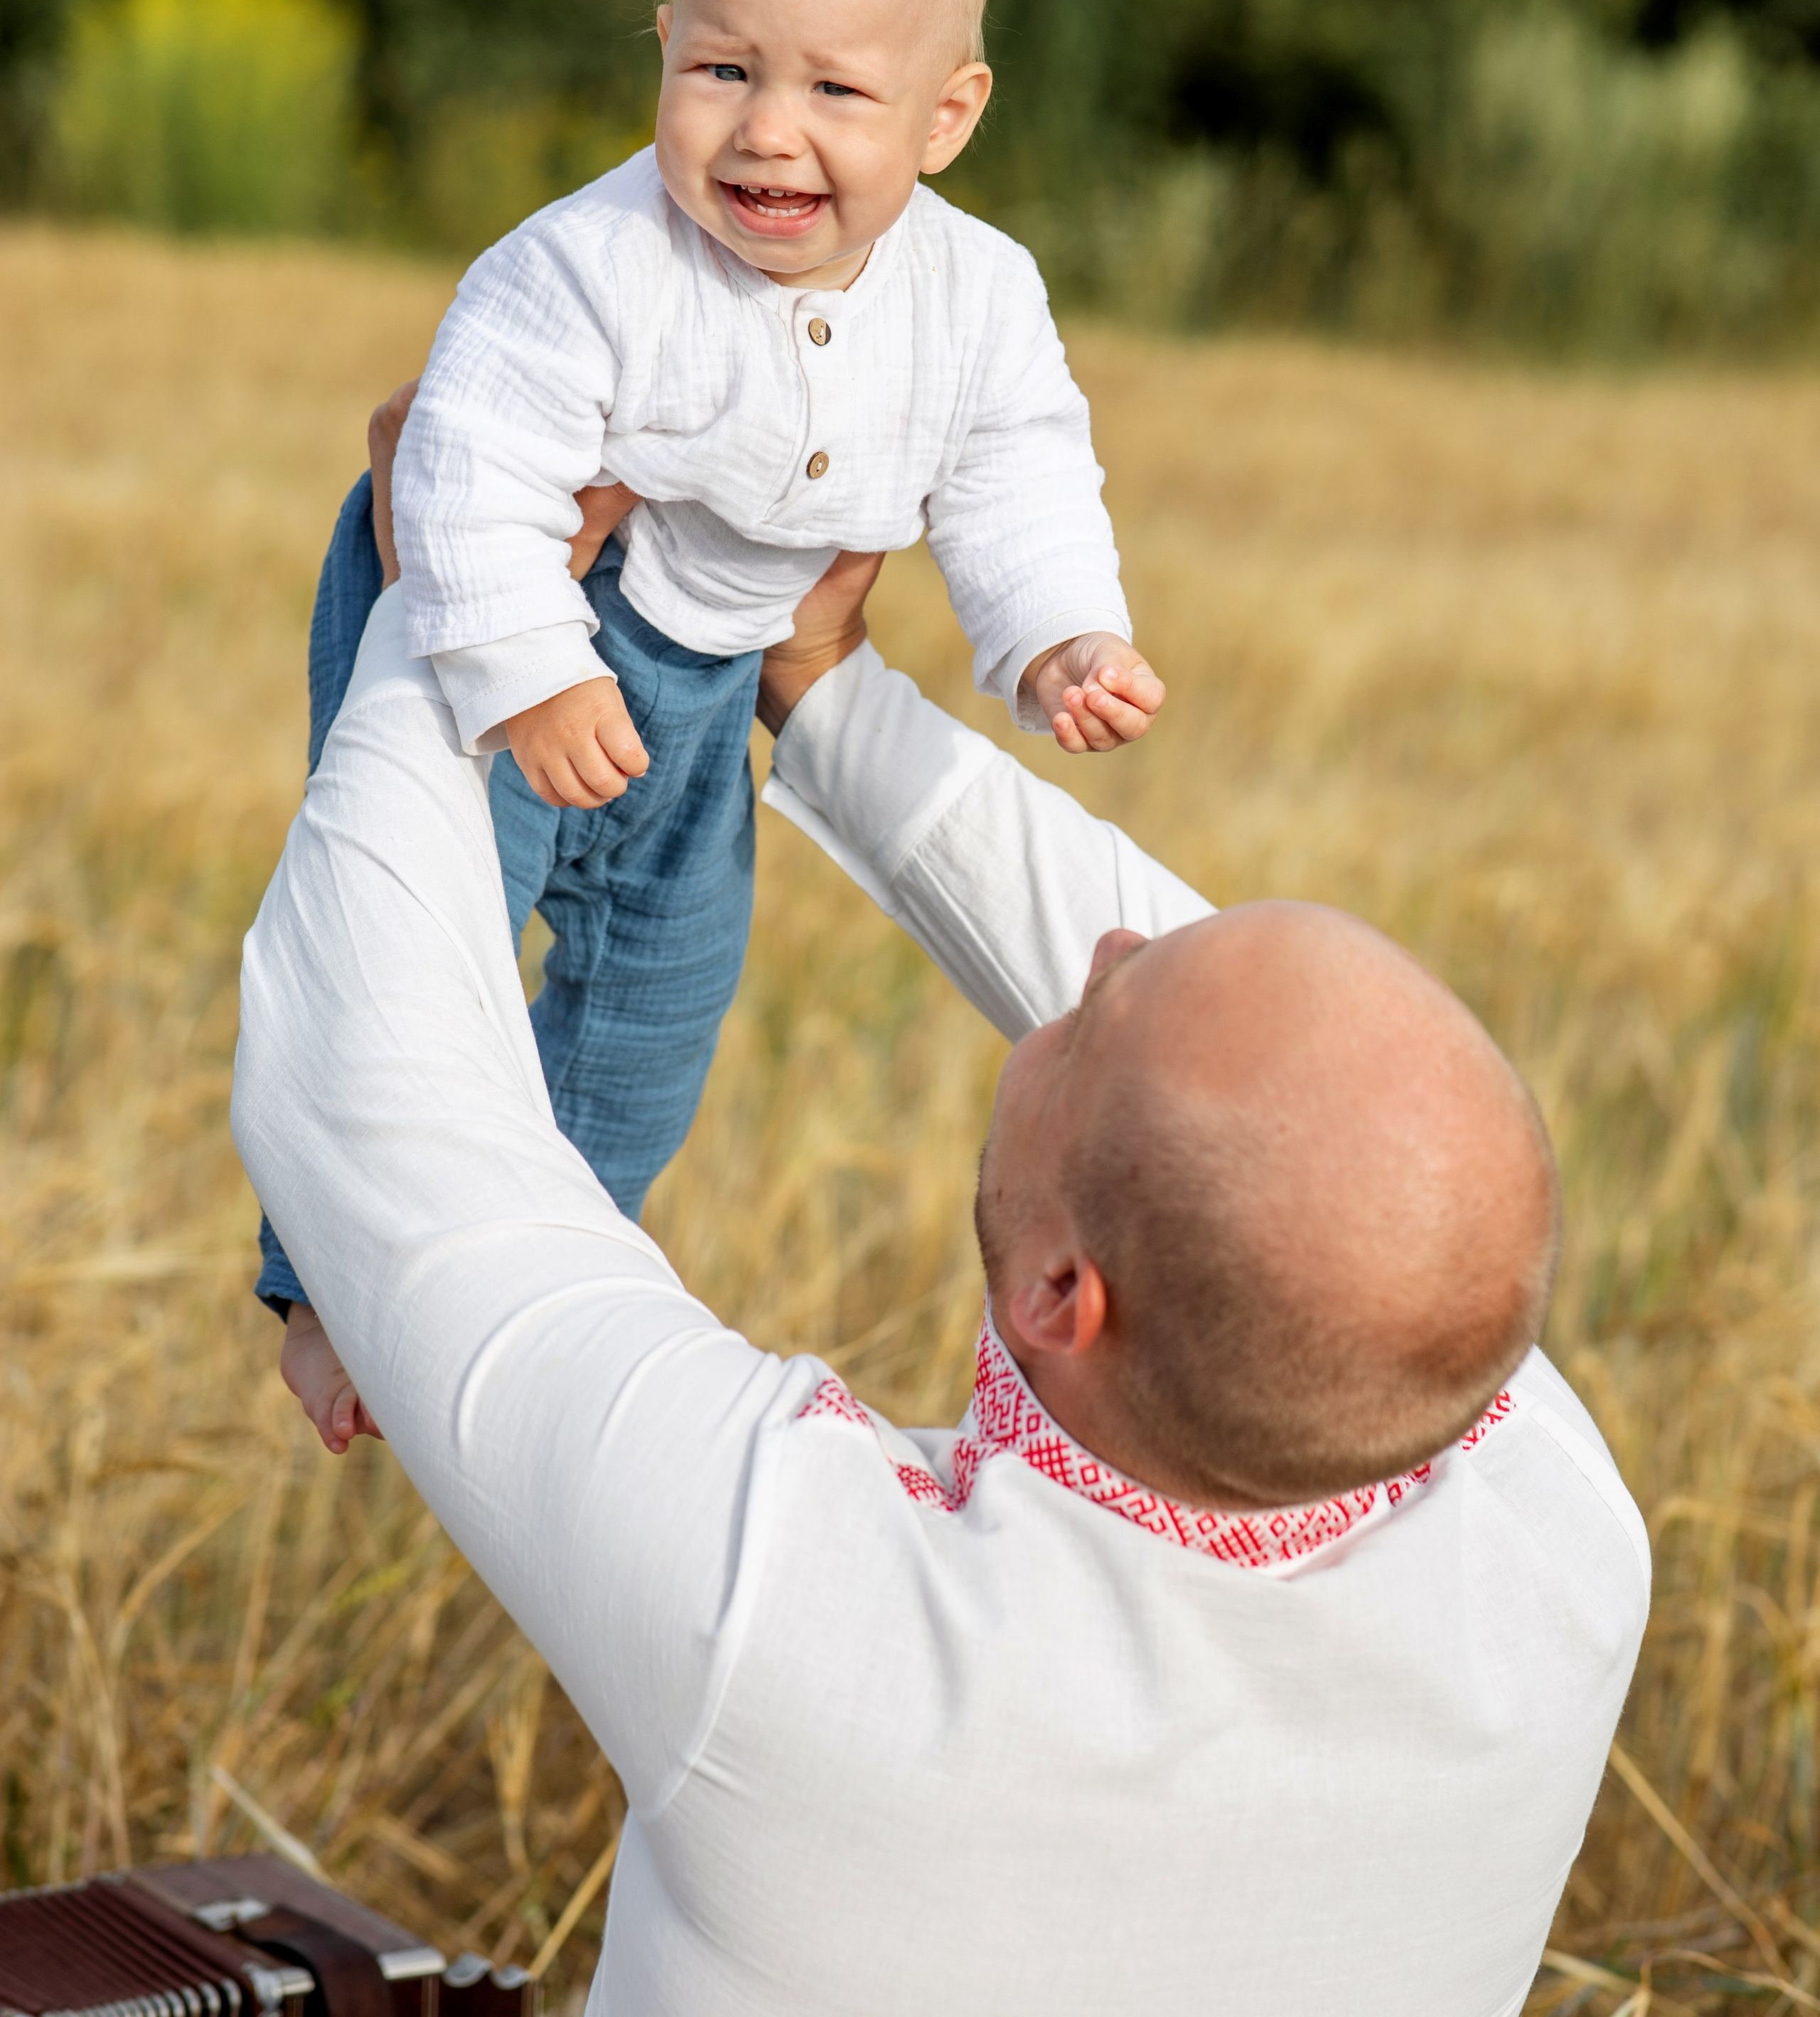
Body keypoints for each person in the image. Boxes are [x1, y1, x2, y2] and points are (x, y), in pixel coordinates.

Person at [235, 552, 1649, 2015]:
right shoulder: (1558, 1540)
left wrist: (463, 584)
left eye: (1098, 1011)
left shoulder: (810, 1623)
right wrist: (831, 691)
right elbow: (1281, 1124)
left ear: (1058, 1294)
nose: (1101, 948)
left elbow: (370, 1089)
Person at [255, 0, 1165, 1325]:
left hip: (708, 688)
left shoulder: (977, 299)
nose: (765, 132)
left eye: (834, 90)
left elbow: (1017, 469)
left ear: (946, 116)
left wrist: (1053, 635)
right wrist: (527, 667)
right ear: (664, 42)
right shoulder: (587, 265)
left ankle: (523, 1292)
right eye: (724, 70)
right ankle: (329, 1289)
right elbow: (459, 462)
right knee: (414, 940)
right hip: (523, 613)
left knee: (653, 1013)